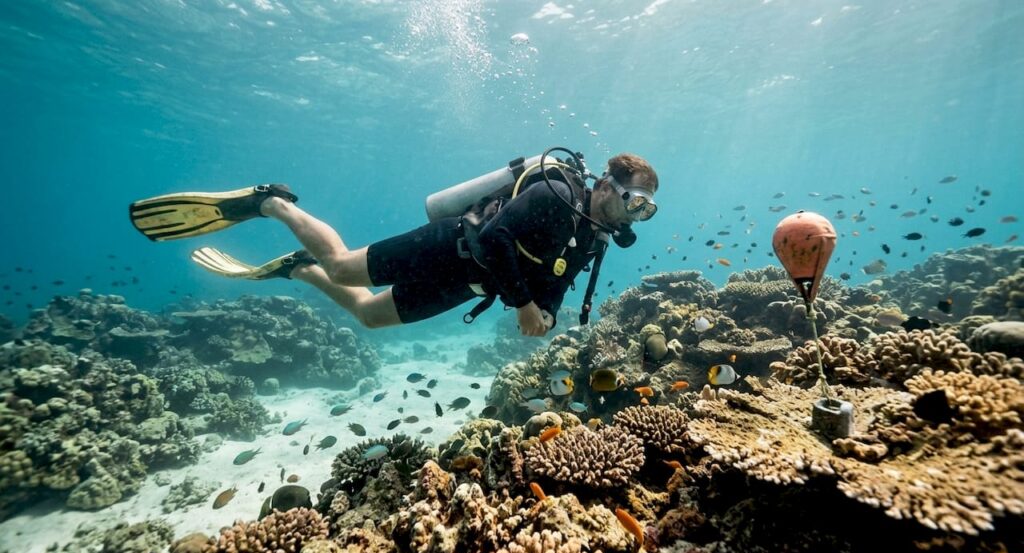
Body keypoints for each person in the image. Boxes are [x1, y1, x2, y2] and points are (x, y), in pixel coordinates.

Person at [129, 151, 659, 336]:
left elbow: (557, 285)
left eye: (646, 209)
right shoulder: (555, 191)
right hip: (448, 246)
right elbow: (496, 237)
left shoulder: (594, 237)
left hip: (468, 283)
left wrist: (544, 314)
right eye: (636, 199)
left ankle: (296, 268)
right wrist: (523, 306)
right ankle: (273, 202)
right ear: (608, 185)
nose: (637, 213)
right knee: (340, 266)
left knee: (368, 316)